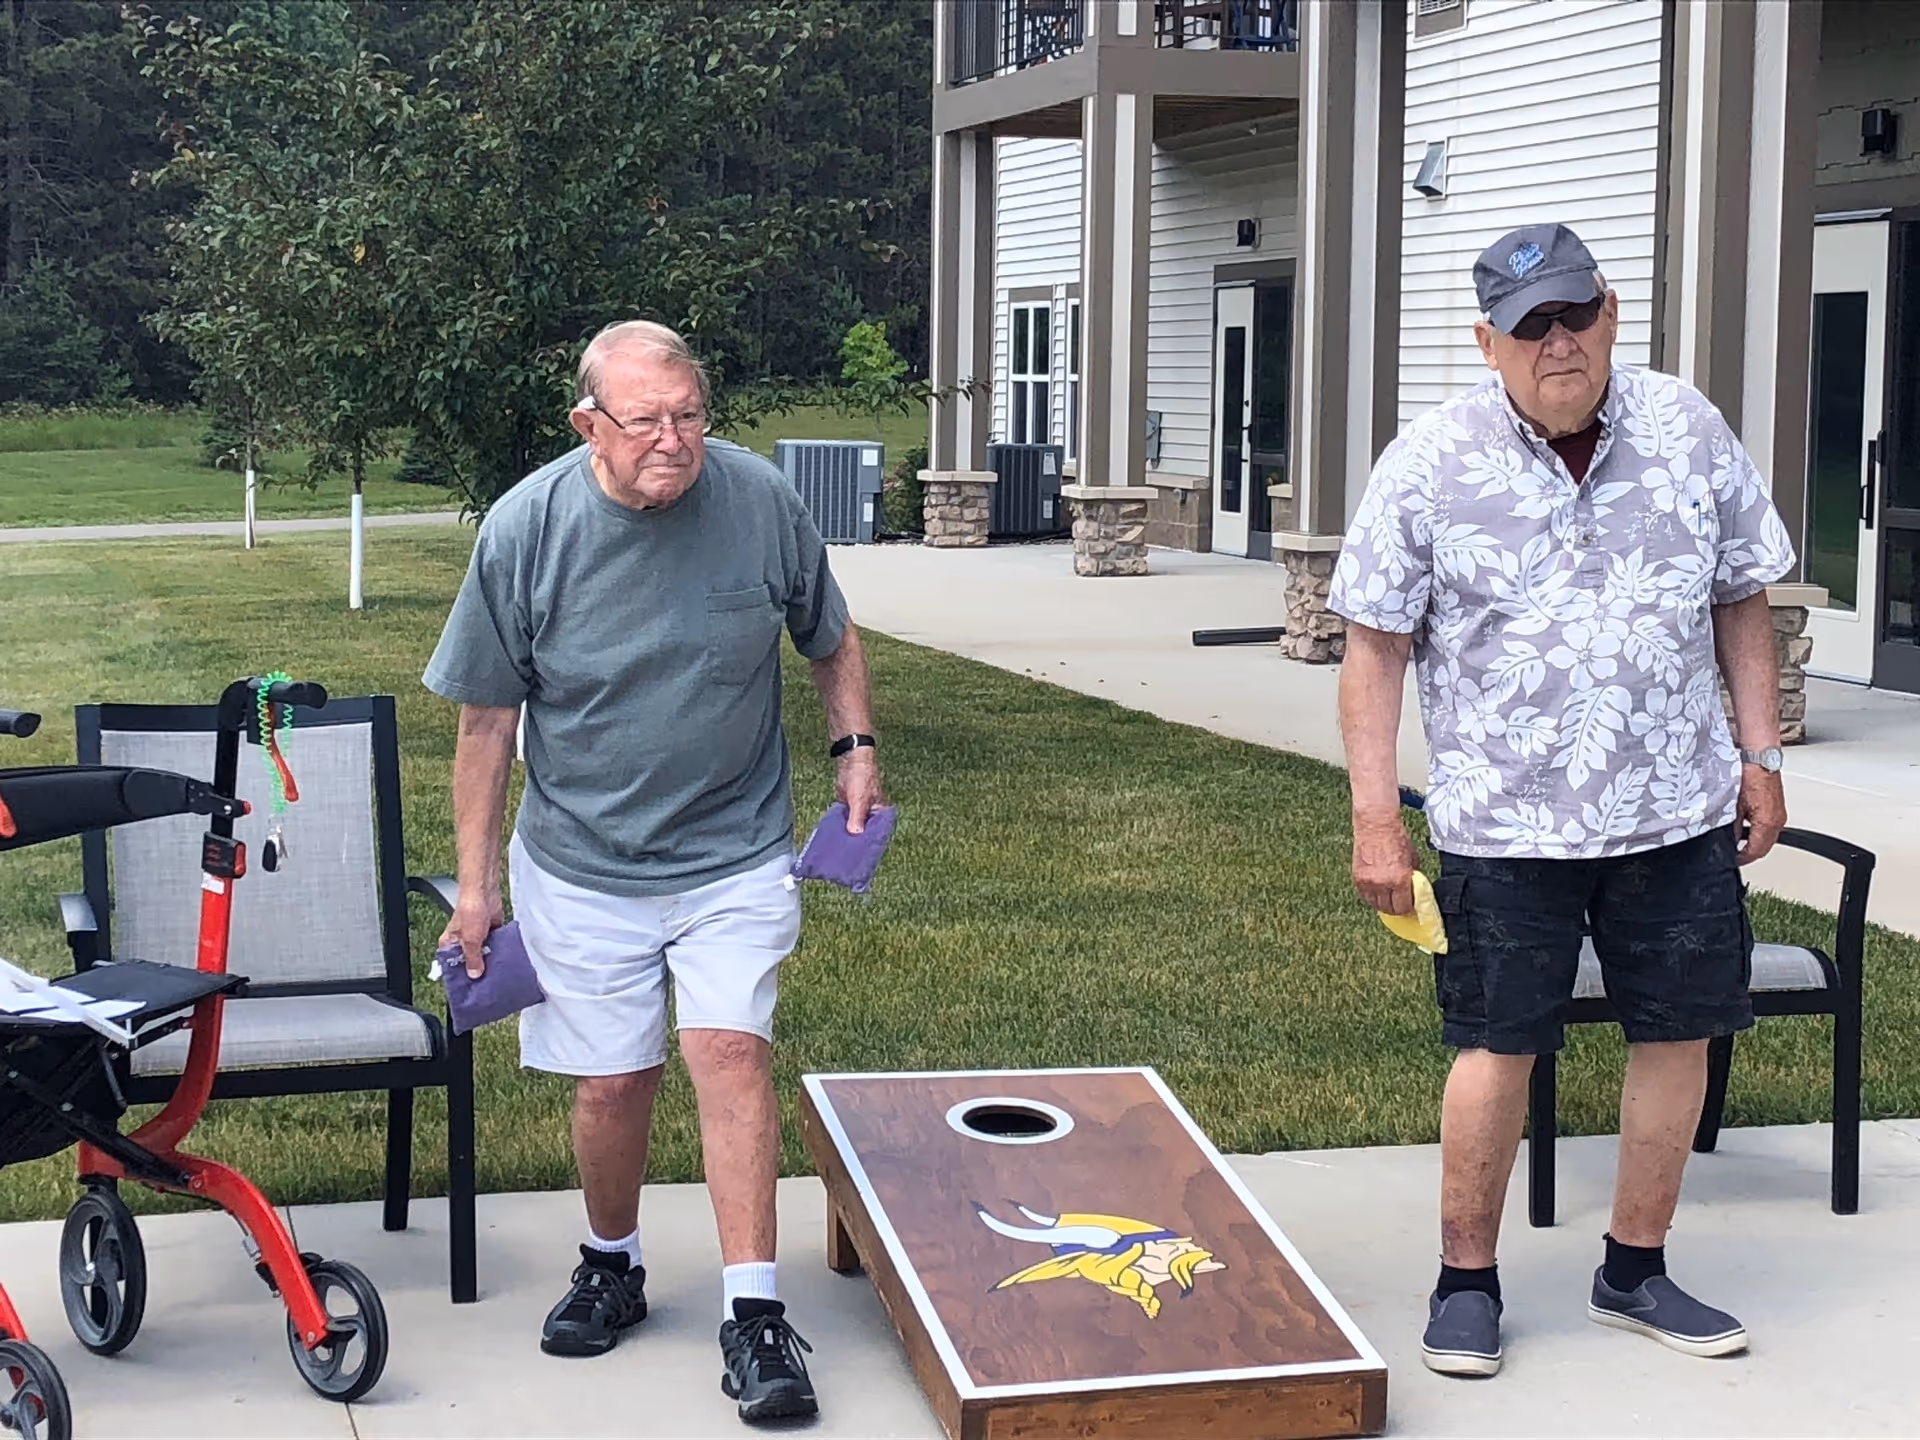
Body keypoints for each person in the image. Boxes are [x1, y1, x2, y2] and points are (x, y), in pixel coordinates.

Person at [1329, 223, 1795, 1378]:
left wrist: (1761, 753)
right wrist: (1376, 816)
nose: (1559, 343)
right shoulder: (1430, 461)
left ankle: (1636, 1269)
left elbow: (1744, 597)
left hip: (1676, 810)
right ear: (1487, 340)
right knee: (1497, 1043)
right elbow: (1374, 651)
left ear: (1612, 312)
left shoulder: (1688, 427)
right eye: (1530, 325)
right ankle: (1466, 1283)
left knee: (1678, 1031)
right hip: (1505, 820)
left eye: (1575, 314)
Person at [421, 319, 884, 1426]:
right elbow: (486, 727)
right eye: (646, 422)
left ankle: (756, 1316)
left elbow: (832, 637)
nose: (674, 439)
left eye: (690, 415)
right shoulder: (528, 529)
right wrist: (479, 891)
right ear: (590, 424)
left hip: (735, 845)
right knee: (613, 1081)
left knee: (728, 1051)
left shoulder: (760, 501)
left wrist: (854, 750)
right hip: (581, 858)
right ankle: (612, 1262)